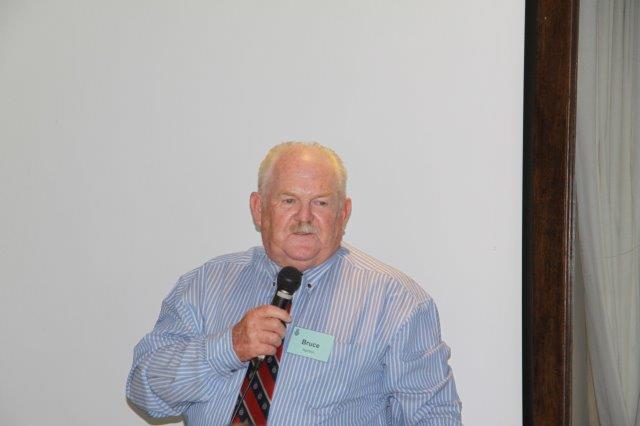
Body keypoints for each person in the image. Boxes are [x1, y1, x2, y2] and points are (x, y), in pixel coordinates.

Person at [126, 142, 462, 425]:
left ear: (343, 212)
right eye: (288, 200)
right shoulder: (205, 285)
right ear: (259, 209)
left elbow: (434, 418)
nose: (304, 217)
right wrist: (228, 347)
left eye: (321, 203)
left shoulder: (397, 303)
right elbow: (144, 391)